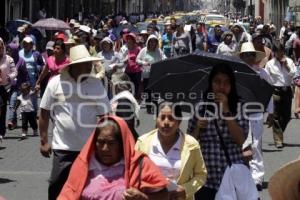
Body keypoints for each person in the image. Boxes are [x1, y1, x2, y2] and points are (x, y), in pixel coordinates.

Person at [39, 45, 111, 200]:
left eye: (90, 63)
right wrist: (44, 140)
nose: (90, 66)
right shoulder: (55, 82)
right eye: (86, 64)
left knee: (88, 190)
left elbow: (106, 115)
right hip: (63, 148)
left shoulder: (96, 84)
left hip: (89, 149)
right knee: (57, 186)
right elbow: (44, 112)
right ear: (75, 66)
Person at [58, 116, 169, 200]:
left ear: (122, 144)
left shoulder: (140, 164)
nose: (105, 148)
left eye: (111, 143)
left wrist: (143, 197)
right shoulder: (84, 164)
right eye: (101, 142)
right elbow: (68, 194)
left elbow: (164, 195)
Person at [187, 64, 250, 199]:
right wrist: (198, 128)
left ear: (231, 86)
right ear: (211, 83)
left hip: (232, 178)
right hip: (206, 179)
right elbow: (188, 143)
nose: (221, 87)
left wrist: (226, 110)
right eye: (217, 82)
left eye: (226, 83)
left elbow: (241, 141)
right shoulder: (201, 106)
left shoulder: (240, 106)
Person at [135, 102, 207, 200]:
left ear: (179, 121)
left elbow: (201, 174)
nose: (166, 122)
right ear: (156, 119)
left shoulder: (191, 145)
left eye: (171, 118)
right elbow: (134, 173)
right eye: (162, 117)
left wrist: (186, 190)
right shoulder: (142, 142)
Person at [238, 42, 273, 190]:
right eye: (246, 55)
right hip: (239, 113)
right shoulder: (236, 73)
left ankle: (257, 178)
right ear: (242, 57)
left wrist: (270, 113)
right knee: (242, 144)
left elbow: (269, 94)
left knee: (256, 145)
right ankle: (243, 176)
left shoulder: (262, 73)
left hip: (256, 112)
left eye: (252, 54)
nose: (250, 57)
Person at [265, 42, 297, 148]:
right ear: (274, 52)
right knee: (276, 115)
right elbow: (266, 79)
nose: (281, 53)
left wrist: (286, 66)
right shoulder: (270, 64)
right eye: (278, 51)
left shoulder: (289, 61)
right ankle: (278, 139)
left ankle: (279, 133)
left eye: (282, 51)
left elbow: (294, 74)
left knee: (287, 115)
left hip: (287, 90)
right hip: (275, 90)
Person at [136, 34, 166, 114]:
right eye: (151, 42)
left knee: (156, 91)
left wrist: (163, 60)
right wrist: (144, 62)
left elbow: (164, 57)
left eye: (154, 42)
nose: (152, 44)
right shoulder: (143, 50)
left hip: (156, 74)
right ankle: (149, 107)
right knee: (148, 91)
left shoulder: (159, 51)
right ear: (148, 42)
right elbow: (137, 60)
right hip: (146, 74)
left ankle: (155, 105)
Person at [110, 72, 140, 140]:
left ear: (118, 85)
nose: (110, 85)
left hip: (124, 141)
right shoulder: (123, 98)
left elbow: (126, 126)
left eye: (112, 83)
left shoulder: (123, 101)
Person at [6, 43, 29, 130]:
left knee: (12, 103)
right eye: (7, 50)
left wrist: (26, 84)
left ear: (15, 51)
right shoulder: (6, 60)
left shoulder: (21, 61)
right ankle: (14, 122)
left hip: (17, 86)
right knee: (13, 104)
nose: (8, 51)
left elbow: (25, 73)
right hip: (6, 86)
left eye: (10, 50)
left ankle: (10, 120)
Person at [0, 38, 17, 141]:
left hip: (4, 88)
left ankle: (1, 131)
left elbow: (15, 72)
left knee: (2, 109)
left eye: (1, 46)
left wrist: (9, 77)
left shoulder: (9, 59)